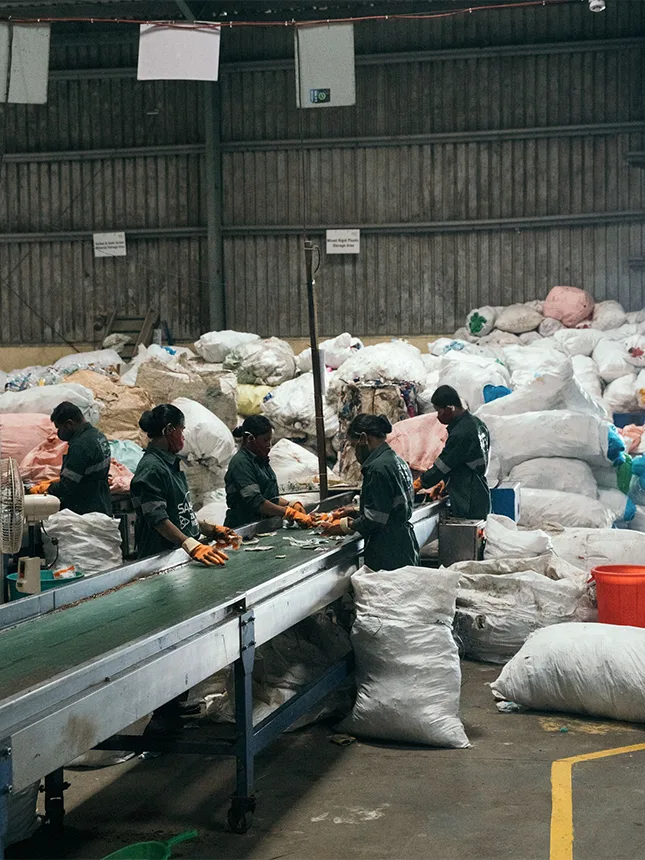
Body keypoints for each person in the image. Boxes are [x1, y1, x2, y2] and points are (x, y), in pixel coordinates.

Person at [131, 404, 236, 566]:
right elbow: (157, 518)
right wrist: (190, 545)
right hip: (160, 558)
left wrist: (209, 529)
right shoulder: (152, 467)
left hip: (178, 554)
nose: (183, 437)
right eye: (181, 431)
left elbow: (179, 515)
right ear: (169, 430)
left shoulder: (170, 464)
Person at [323, 413, 419, 571]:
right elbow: (388, 506)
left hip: (387, 550)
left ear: (363, 438)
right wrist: (356, 511)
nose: (355, 453)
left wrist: (345, 526)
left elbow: (375, 520)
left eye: (354, 446)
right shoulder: (397, 460)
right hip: (403, 544)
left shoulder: (377, 468)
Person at [414, 385, 491, 519]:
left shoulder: (461, 433)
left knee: (464, 531)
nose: (438, 416)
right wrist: (446, 482)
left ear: (450, 409)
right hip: (478, 491)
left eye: (439, 411)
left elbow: (443, 464)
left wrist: (420, 483)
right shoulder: (477, 424)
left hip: (467, 497)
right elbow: (464, 461)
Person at [224, 415, 313, 529]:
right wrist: (287, 512)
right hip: (244, 527)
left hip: (262, 525)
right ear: (250, 439)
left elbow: (269, 497)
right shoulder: (241, 463)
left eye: (270, 440)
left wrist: (290, 504)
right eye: (265, 440)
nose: (269, 445)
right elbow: (256, 501)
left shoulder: (260, 460)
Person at [29, 401, 112, 516]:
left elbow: (67, 485)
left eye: (59, 428)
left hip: (85, 509)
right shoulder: (98, 435)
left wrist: (48, 489)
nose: (59, 432)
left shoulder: (80, 446)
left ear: (69, 424)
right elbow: (85, 473)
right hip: (101, 502)